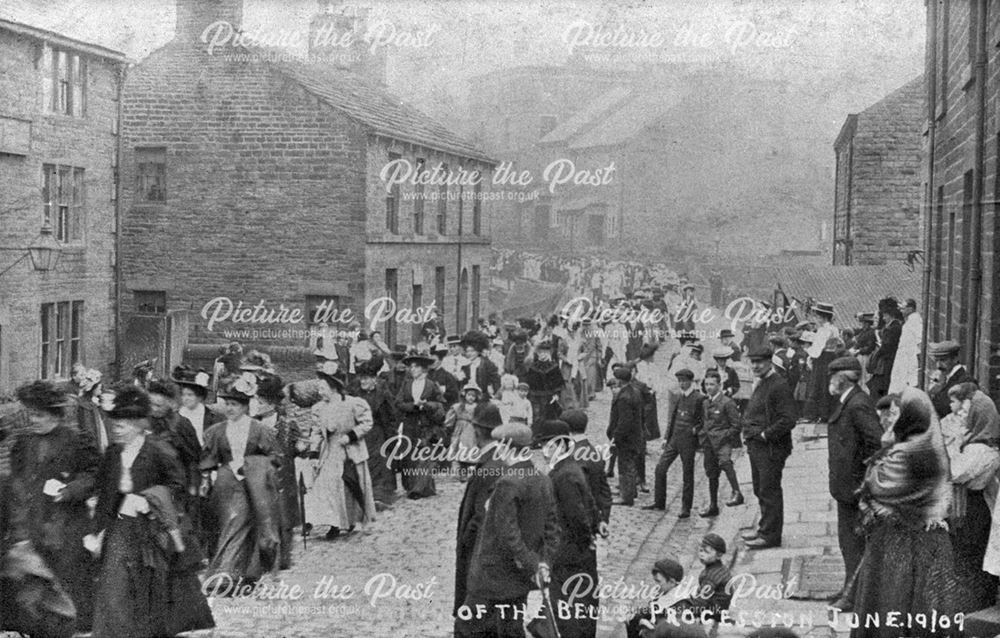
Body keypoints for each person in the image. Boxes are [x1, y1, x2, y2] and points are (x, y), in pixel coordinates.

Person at [88, 384, 214, 638]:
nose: (116, 430)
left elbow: (176, 486)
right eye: (114, 425)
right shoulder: (113, 453)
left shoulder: (158, 451)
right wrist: (95, 531)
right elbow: (103, 493)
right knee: (114, 588)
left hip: (151, 532)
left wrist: (149, 500)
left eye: (121, 426)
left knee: (150, 590)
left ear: (138, 425)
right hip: (119, 529)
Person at [851, 388, 964, 638]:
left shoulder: (908, 452)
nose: (893, 418)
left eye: (899, 412)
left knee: (891, 606)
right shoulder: (934, 445)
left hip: (900, 543)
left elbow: (873, 490)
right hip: (929, 541)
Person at [8, 380, 100, 631]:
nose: (34, 420)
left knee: (71, 577)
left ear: (53, 415)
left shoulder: (77, 440)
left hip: (67, 522)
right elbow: (18, 478)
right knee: (38, 579)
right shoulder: (24, 442)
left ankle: (80, 629)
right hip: (36, 519)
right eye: (31, 415)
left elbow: (93, 475)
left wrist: (70, 490)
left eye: (38, 415)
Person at [455, 424, 560, 638]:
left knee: (466, 629)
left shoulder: (508, 483)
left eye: (501, 446)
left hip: (493, 577)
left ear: (508, 449)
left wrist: (531, 563)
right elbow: (552, 528)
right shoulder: (542, 479)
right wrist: (543, 563)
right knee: (510, 628)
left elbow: (507, 533)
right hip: (520, 578)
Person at [200, 375, 282, 584]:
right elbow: (208, 460)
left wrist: (252, 465)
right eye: (227, 404)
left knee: (240, 524)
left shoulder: (260, 430)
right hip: (226, 485)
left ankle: (226, 573)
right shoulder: (217, 431)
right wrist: (207, 476)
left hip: (253, 485)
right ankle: (240, 571)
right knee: (229, 525)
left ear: (245, 407)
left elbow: (275, 457)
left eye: (234, 404)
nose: (229, 409)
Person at [824, 356, 883, 611]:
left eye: (832, 376)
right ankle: (850, 587)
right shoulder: (849, 400)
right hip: (846, 487)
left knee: (854, 544)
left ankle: (854, 596)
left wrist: (863, 480)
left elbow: (876, 442)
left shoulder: (857, 404)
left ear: (842, 378)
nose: (830, 381)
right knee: (848, 543)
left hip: (854, 489)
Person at [535, 419, 600, 638]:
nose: (544, 451)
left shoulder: (564, 475)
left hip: (570, 557)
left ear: (562, 445)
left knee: (570, 614)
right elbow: (591, 508)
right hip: (574, 555)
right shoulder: (567, 469)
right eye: (542, 446)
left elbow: (578, 517)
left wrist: (584, 543)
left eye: (549, 446)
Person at [939, 381, 1000, 611]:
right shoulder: (977, 444)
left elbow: (953, 472)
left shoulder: (982, 449)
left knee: (970, 556)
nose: (962, 418)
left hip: (973, 510)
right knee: (965, 555)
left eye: (967, 413)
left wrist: (952, 445)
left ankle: (974, 604)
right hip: (970, 507)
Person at [452, 404, 511, 618]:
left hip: (479, 554)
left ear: (477, 430)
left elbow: (481, 516)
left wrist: (466, 540)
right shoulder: (493, 460)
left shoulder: (491, 467)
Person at [308, 366, 377, 539]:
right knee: (328, 486)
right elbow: (316, 432)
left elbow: (367, 423)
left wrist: (351, 436)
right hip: (330, 451)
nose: (320, 391)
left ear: (333, 387)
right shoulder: (319, 408)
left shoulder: (352, 403)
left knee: (348, 486)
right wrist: (314, 454)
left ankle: (351, 520)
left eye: (322, 388)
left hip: (349, 451)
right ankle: (333, 524)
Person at [740, 347, 796, 549]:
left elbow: (788, 419)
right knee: (760, 488)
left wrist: (766, 435)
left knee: (769, 490)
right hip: (757, 447)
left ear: (769, 362)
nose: (755, 366)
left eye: (759, 362)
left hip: (770, 448)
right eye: (752, 362)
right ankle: (765, 528)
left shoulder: (778, 385)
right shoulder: (763, 382)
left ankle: (771, 536)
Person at [254, 373, 300, 569]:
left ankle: (284, 557)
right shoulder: (253, 424)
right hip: (260, 475)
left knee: (283, 517)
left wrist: (301, 448)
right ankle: (262, 557)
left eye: (261, 401)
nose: (257, 405)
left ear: (272, 404)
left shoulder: (287, 424)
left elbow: (296, 447)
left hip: (282, 476)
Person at [645, 369, 704, 517]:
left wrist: (695, 431)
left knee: (687, 475)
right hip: (674, 440)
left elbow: (704, 421)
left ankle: (686, 507)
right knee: (660, 468)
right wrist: (666, 438)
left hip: (688, 442)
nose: (682, 384)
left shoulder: (699, 398)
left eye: (684, 381)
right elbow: (672, 419)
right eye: (680, 381)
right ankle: (659, 502)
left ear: (691, 381)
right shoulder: (679, 397)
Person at [395, 352, 446, 499]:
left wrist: (426, 405)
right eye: (411, 367)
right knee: (410, 456)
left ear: (424, 369)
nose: (412, 370)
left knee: (424, 456)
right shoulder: (406, 384)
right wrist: (414, 406)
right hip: (410, 424)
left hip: (426, 425)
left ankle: (421, 488)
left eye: (416, 367)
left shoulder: (431, 385)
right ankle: (411, 486)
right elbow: (398, 403)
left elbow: (441, 404)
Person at [353, 357, 398, 508]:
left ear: (374, 379)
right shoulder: (356, 395)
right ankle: (365, 496)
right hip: (362, 433)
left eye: (366, 379)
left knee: (380, 463)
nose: (363, 382)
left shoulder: (383, 394)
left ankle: (380, 496)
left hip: (378, 432)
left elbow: (391, 417)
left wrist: (392, 437)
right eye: (361, 379)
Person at [624, 558, 704, 638]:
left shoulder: (680, 610)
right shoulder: (668, 592)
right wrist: (635, 616)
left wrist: (645, 626)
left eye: (658, 582)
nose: (655, 586)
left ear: (672, 582)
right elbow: (652, 610)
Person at [699, 371, 743, 516]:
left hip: (723, 441)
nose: (709, 387)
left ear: (719, 385)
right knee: (711, 473)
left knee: (725, 462)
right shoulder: (705, 402)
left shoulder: (727, 403)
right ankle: (713, 505)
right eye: (706, 384)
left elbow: (736, 426)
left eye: (712, 384)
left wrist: (724, 437)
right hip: (708, 443)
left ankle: (737, 492)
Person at [564, 409, 612, 534]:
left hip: (578, 521)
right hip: (593, 517)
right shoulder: (594, 452)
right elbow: (604, 490)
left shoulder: (572, 456)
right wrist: (603, 519)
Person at [608, 365, 646, 506]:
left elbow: (624, 421)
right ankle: (629, 490)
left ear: (620, 381)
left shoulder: (624, 397)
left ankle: (627, 496)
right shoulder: (635, 391)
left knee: (625, 466)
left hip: (627, 438)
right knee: (629, 464)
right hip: (635, 435)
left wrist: (616, 436)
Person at [684, 534, 733, 621]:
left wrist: (688, 613)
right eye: (701, 551)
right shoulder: (720, 568)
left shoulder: (710, 576)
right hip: (719, 608)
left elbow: (702, 601)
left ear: (718, 555)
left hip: (713, 612)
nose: (701, 555)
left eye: (706, 552)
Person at [804, 302, 839, 423]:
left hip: (823, 358)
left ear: (823, 317)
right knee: (826, 384)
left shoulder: (824, 330)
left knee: (819, 384)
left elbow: (817, 349)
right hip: (831, 357)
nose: (816, 319)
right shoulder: (834, 329)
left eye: (818, 316)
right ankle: (826, 413)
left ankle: (818, 414)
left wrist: (808, 352)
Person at [867, 297, 903, 401]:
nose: (883, 318)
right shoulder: (893, 326)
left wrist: (879, 343)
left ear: (890, 314)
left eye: (885, 315)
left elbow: (886, 346)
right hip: (886, 361)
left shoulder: (893, 327)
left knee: (881, 386)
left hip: (887, 362)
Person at [446, 382, 484, 480]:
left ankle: (469, 472)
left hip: (472, 430)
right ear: (464, 395)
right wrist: (449, 425)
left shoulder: (478, 407)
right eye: (469, 395)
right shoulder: (458, 407)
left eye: (473, 396)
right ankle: (457, 472)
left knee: (470, 449)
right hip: (460, 429)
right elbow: (450, 421)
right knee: (457, 448)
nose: (471, 398)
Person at [927, 340, 973, 419]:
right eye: (936, 360)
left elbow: (946, 409)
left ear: (955, 359)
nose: (938, 365)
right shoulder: (946, 378)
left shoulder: (964, 381)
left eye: (943, 360)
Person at [524, 341, 565, 429]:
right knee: (537, 416)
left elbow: (558, 382)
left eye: (546, 352)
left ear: (550, 353)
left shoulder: (554, 366)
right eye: (541, 352)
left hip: (549, 396)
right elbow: (529, 382)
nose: (543, 354)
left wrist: (556, 394)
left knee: (549, 415)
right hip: (535, 396)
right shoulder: (533, 367)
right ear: (537, 353)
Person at [889, 299, 923, 394]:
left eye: (903, 308)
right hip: (904, 358)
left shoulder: (915, 321)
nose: (901, 311)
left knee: (906, 384)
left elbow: (919, 341)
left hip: (910, 360)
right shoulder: (909, 321)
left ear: (910, 309)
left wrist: (918, 360)